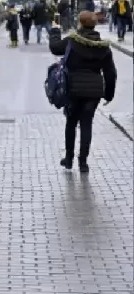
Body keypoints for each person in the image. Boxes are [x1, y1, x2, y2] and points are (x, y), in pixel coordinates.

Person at [49, 11, 117, 173]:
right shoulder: (103, 47)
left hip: (73, 89)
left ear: (80, 23)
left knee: (71, 123)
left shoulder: (73, 41)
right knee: (87, 124)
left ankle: (69, 159)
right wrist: (108, 94)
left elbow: (55, 48)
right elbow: (110, 73)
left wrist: (55, 30)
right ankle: (83, 162)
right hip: (93, 92)